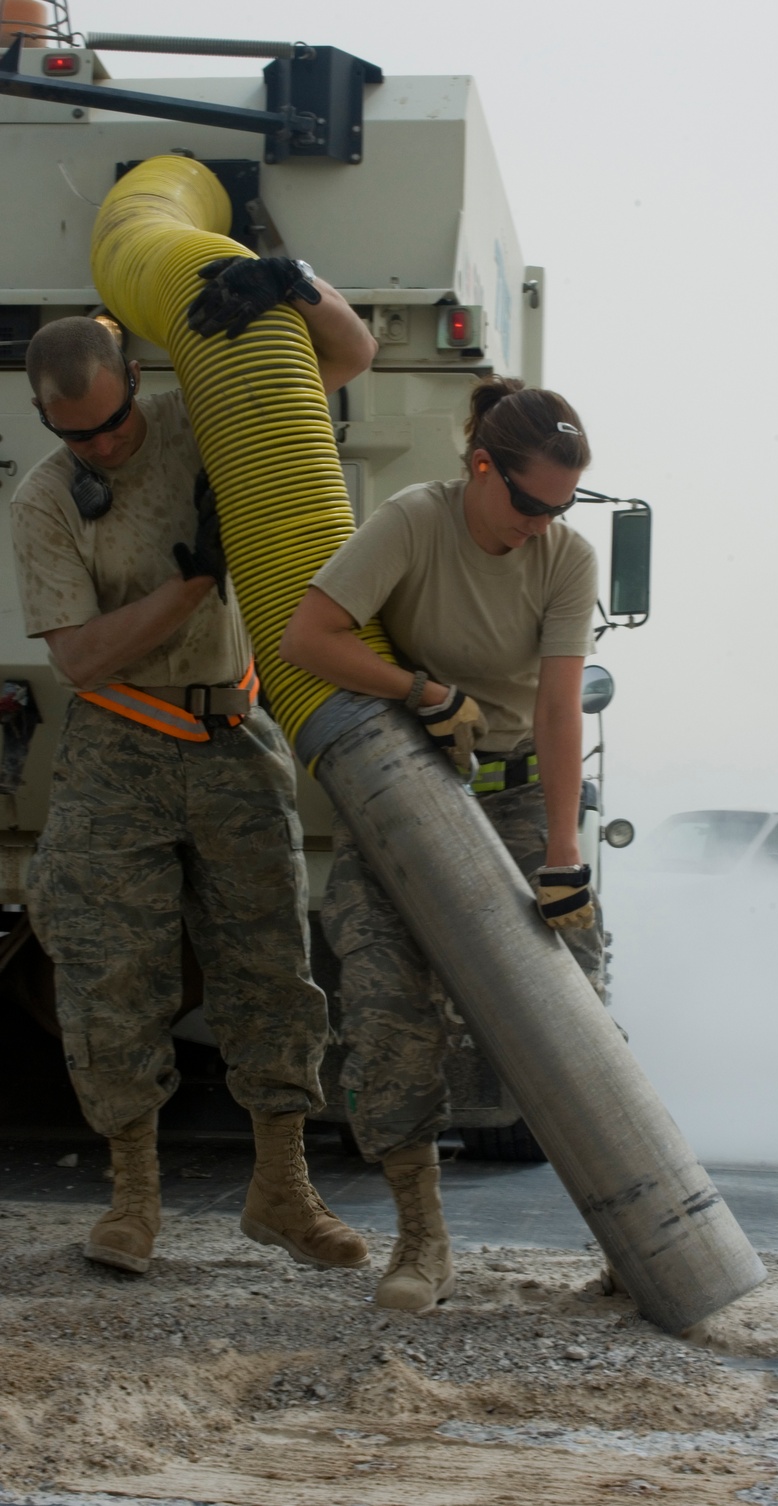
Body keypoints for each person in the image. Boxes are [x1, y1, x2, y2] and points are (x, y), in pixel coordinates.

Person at [10, 258, 378, 1277]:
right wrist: (190, 591)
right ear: (48, 421)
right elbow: (78, 656)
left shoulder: (194, 418)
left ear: (132, 377)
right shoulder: (45, 500)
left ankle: (282, 1192)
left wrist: (298, 284)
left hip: (231, 731)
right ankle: (133, 1201)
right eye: (76, 433)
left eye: (112, 421)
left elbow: (348, 355)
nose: (103, 444)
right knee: (109, 974)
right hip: (115, 747)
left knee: (269, 966)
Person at [279, 377, 603, 1313]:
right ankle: (420, 1241)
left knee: (572, 1023)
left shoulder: (565, 558)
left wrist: (559, 852)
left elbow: (556, 704)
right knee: (384, 1013)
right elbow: (308, 636)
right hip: (409, 788)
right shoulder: (414, 523)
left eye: (561, 506)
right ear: (480, 468)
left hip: (512, 796)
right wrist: (418, 690)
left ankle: (629, 1235)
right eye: (529, 501)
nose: (541, 523)